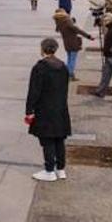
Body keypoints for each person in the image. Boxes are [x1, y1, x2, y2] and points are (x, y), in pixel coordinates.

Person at [26, 38, 72, 182]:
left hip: (45, 108)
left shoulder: (40, 67)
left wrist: (29, 110)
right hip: (60, 107)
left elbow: (34, 91)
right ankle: (61, 169)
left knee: (47, 139)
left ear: (42, 49)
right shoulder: (63, 66)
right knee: (59, 138)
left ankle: (49, 170)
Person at [53, 9, 95, 81]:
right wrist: (88, 36)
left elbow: (58, 29)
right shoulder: (66, 20)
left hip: (66, 42)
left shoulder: (58, 21)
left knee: (69, 59)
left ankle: (67, 73)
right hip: (73, 42)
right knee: (72, 59)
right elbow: (77, 30)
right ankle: (70, 75)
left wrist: (71, 21)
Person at [95, 13, 112, 98]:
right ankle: (100, 91)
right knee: (106, 74)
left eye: (106, 21)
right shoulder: (111, 28)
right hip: (109, 55)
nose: (105, 22)